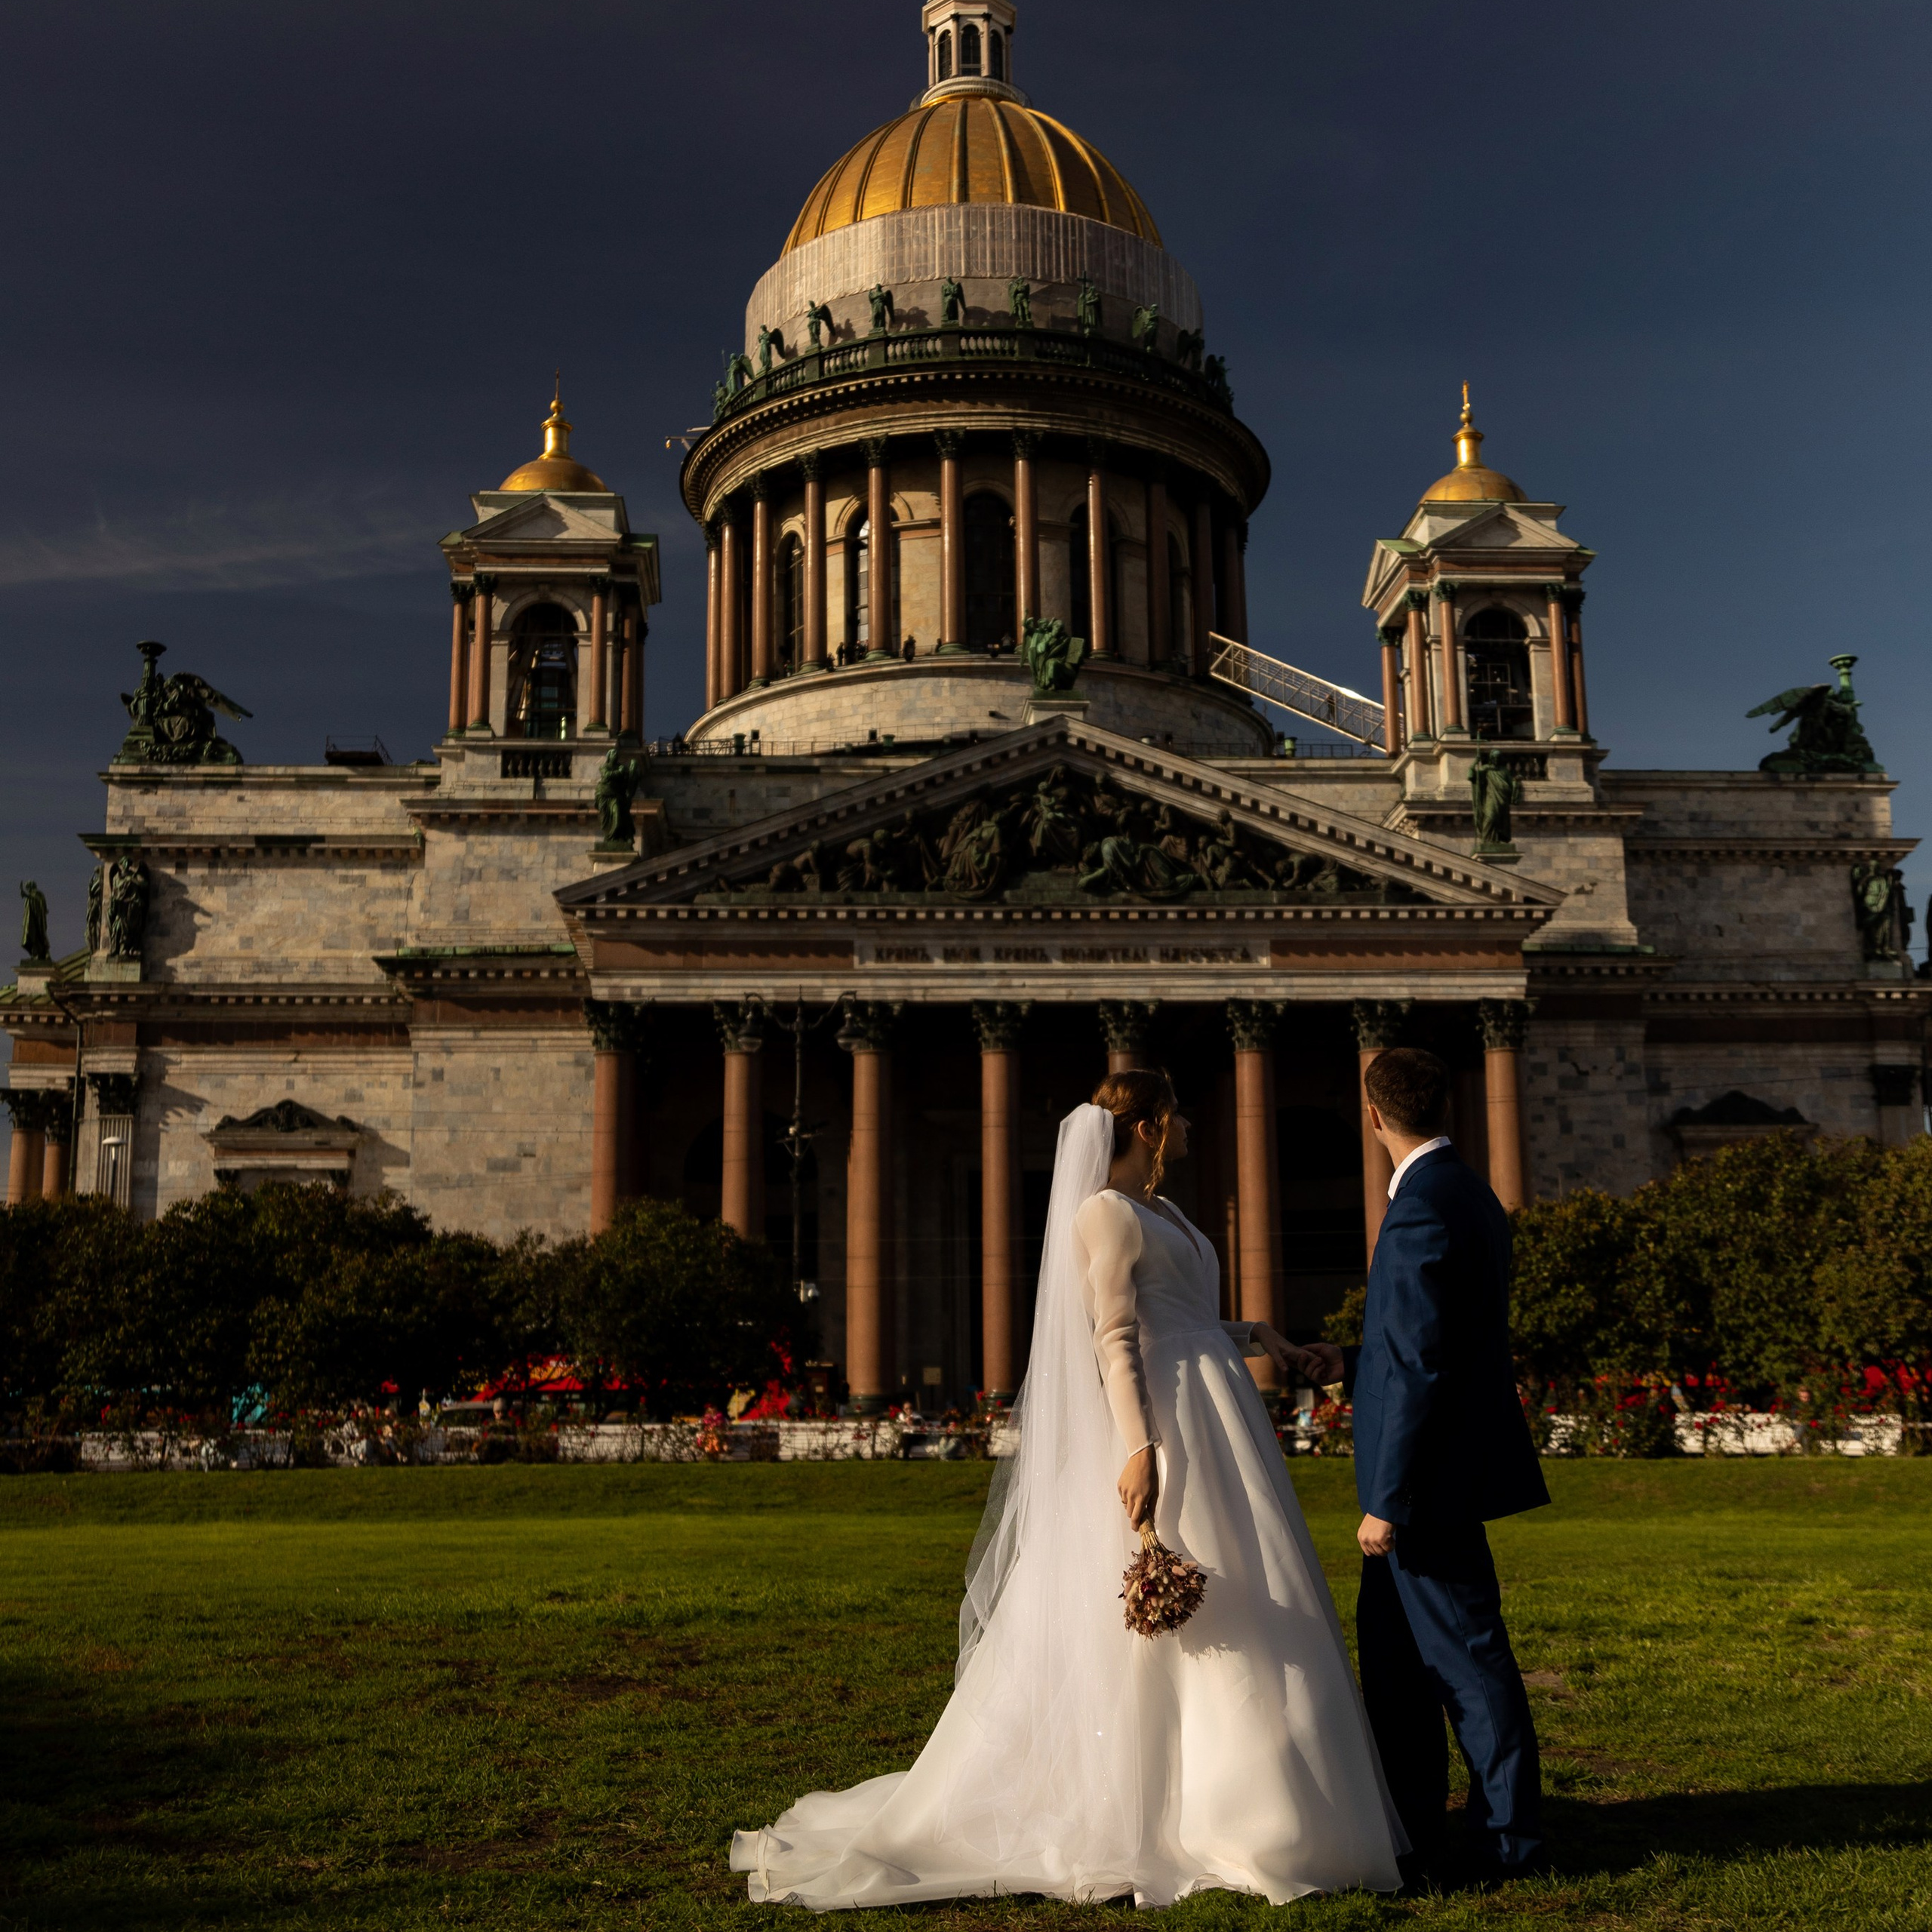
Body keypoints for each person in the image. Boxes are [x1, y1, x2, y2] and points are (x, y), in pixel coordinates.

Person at [731, 1070, 1405, 1908]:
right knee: (1184, 1602)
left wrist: (1258, 1332)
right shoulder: (1105, 1213)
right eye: (1176, 1115)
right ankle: (1185, 1808)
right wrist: (1140, 1448)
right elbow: (1114, 1335)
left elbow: (1180, 1320)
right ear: (1150, 1127)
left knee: (1244, 1583)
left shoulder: (1165, 1211)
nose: (1188, 1126)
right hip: (1168, 1421)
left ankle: (1260, 1801)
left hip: (1217, 1412)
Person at [1298, 1046, 1549, 1881]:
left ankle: (1508, 1841)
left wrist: (1389, 1499)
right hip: (1435, 1479)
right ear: (1443, 1106)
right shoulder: (1465, 1191)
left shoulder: (1420, 1207)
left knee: (1468, 1664)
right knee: (1396, 1667)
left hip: (1422, 1492)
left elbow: (1418, 1365)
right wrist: (1350, 1358)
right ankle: (1409, 1825)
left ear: (1374, 1115)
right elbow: (1430, 1341)